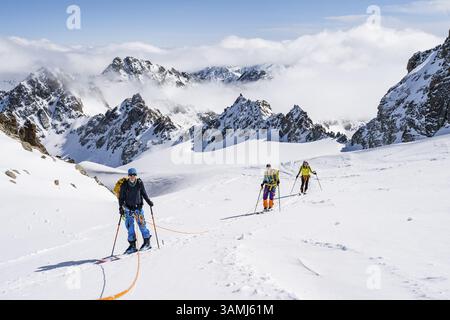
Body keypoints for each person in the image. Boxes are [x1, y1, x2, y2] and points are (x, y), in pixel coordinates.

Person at [119, 168, 154, 254]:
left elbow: (144, 193)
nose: (132, 177)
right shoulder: (124, 185)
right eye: (130, 175)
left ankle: (147, 243)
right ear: (128, 176)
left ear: (136, 175)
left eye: (134, 175)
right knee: (130, 227)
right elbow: (121, 198)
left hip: (138, 208)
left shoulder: (139, 183)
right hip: (128, 209)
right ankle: (132, 246)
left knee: (142, 225)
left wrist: (148, 201)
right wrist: (121, 208)